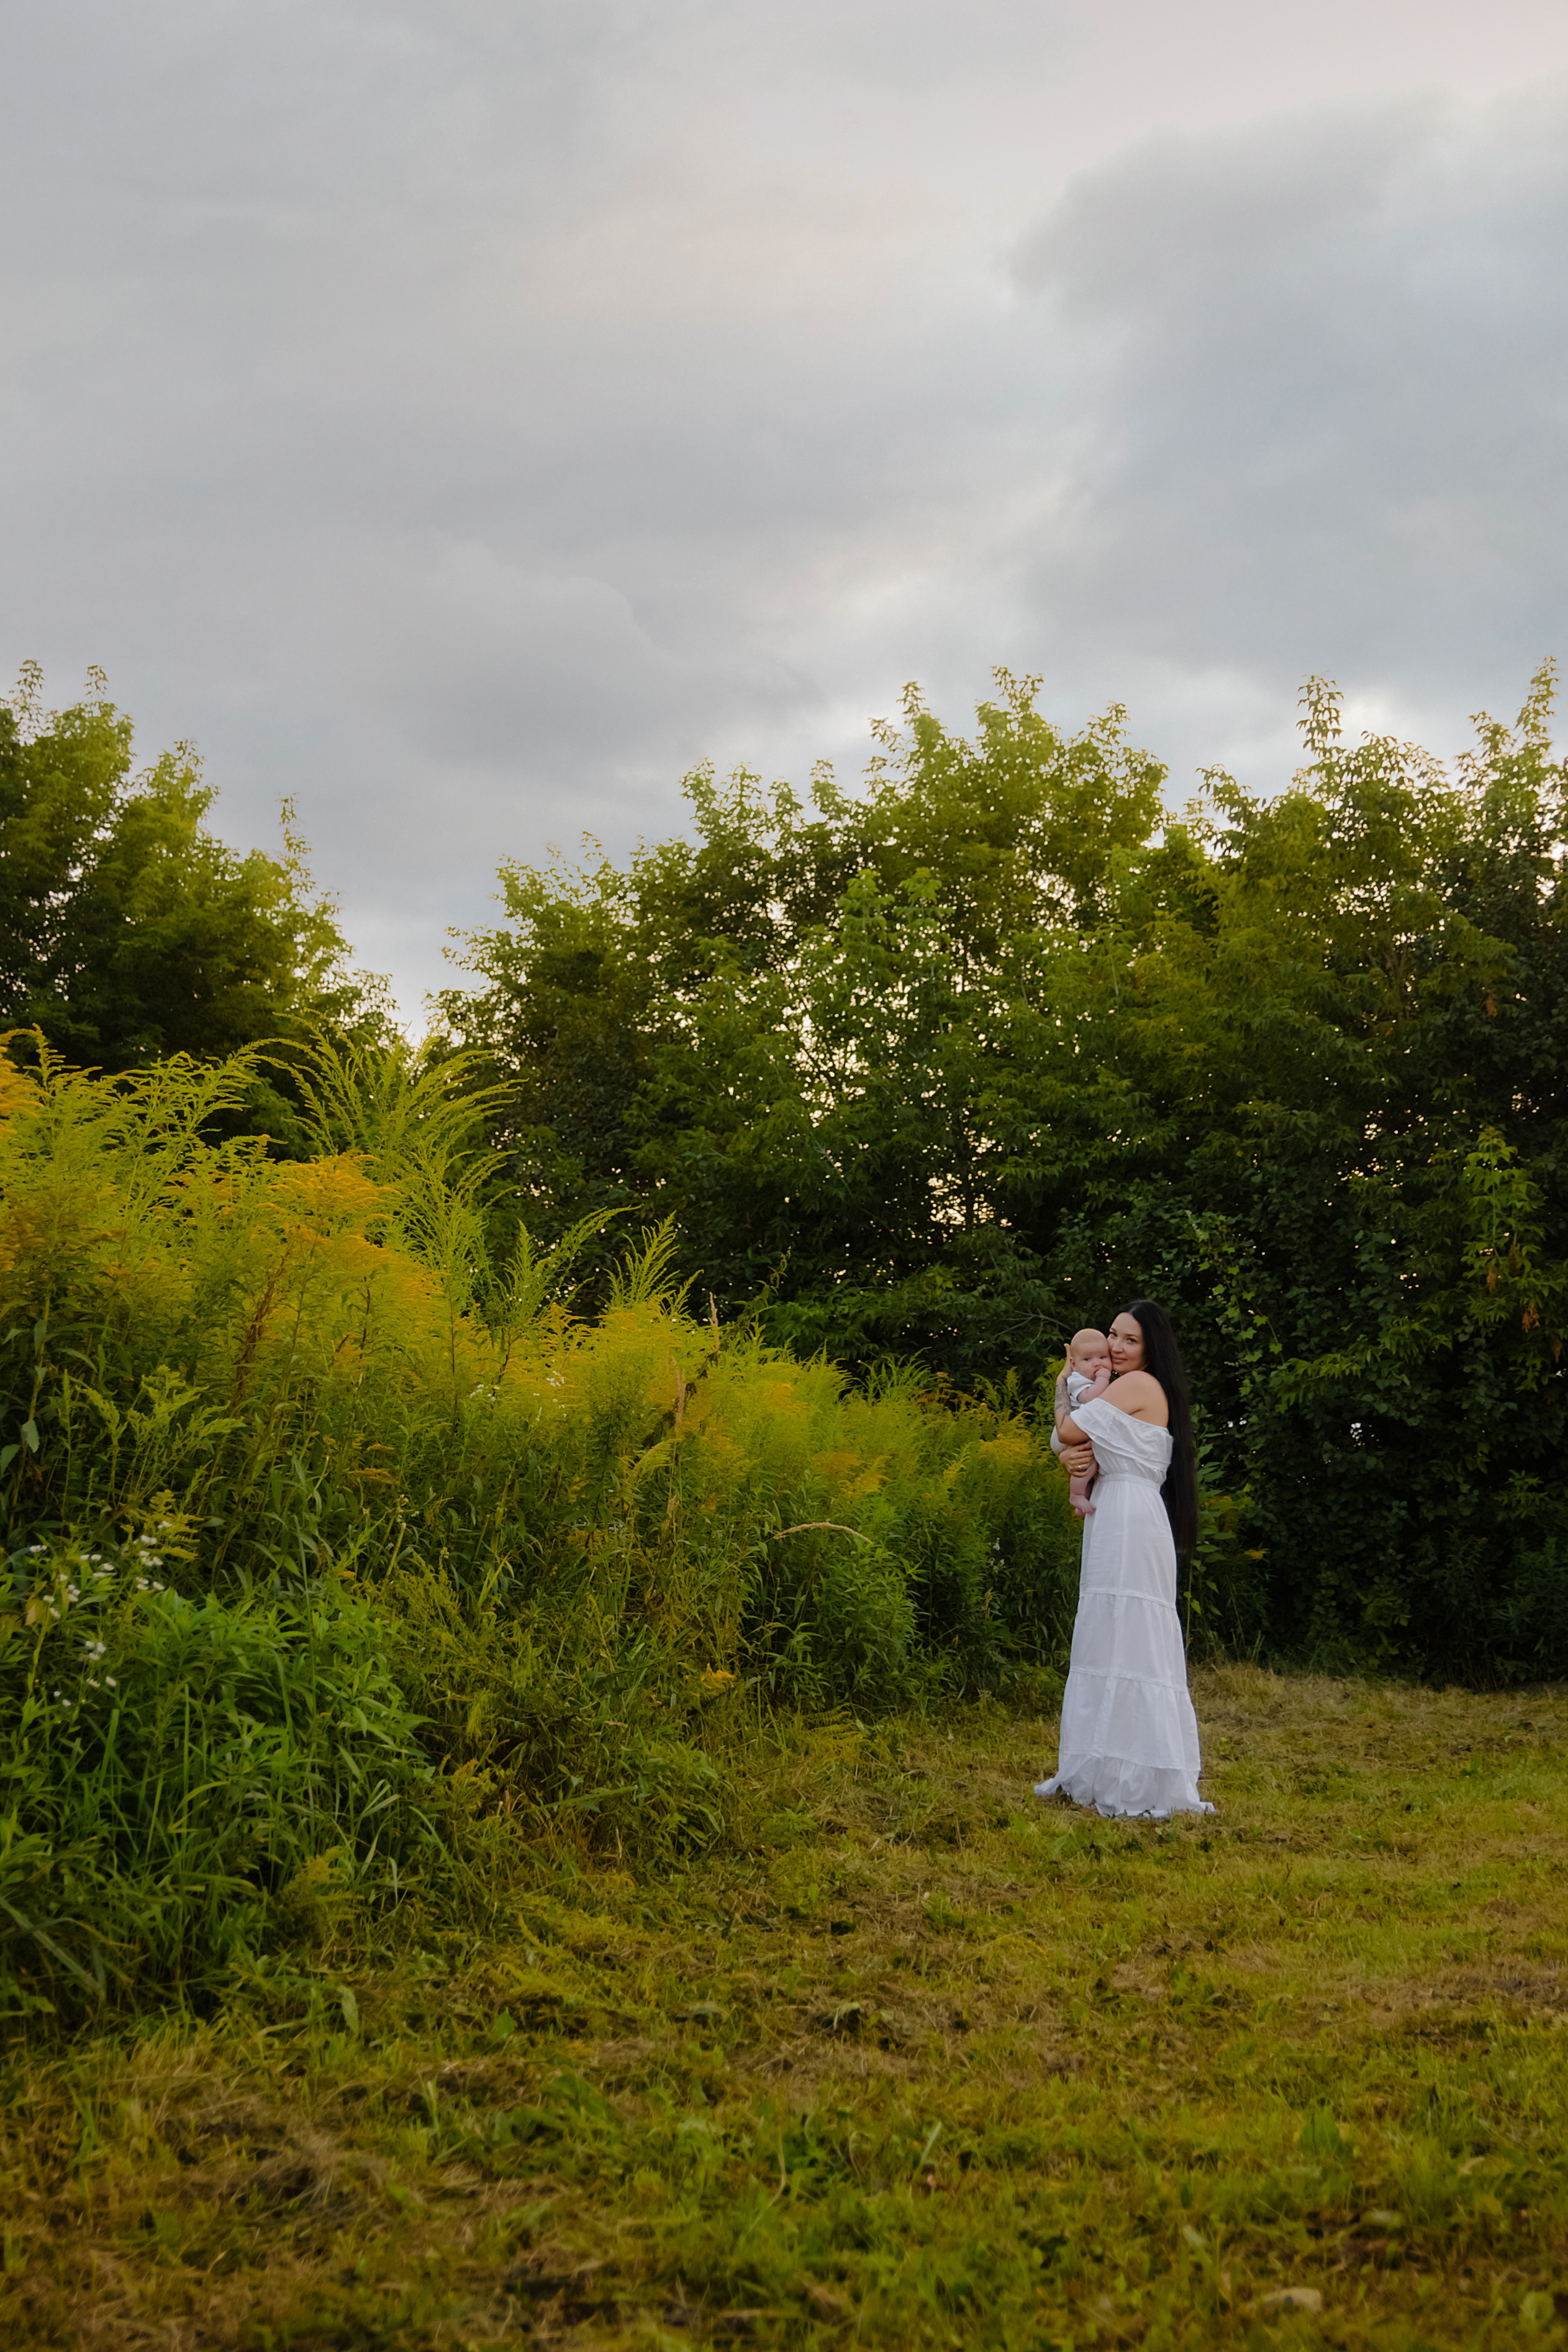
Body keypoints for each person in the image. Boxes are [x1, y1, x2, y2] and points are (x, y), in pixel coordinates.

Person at [1035, 1299, 1215, 1820]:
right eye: (1112, 1334)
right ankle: (1096, 1767)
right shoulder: (1117, 1388)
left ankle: (1136, 1774)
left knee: (1130, 1639)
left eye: (1129, 1340)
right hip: (1113, 1512)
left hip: (1130, 1519)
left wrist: (1058, 1396)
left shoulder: (1137, 1386)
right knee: (1106, 1638)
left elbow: (1070, 1430)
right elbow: (1069, 1440)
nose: (1114, 1346)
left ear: (1150, 1348)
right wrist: (1064, 1449)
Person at [1056, 1328, 1112, 1518]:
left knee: (1092, 1465)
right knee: (1087, 1463)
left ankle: (1083, 1499)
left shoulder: (1092, 1379)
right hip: (1076, 1431)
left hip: (1085, 1431)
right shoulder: (1077, 1381)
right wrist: (1103, 1379)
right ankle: (1077, 1495)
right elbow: (1089, 1398)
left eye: (1103, 1357)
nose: (1097, 1364)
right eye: (1088, 1360)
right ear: (1074, 1364)